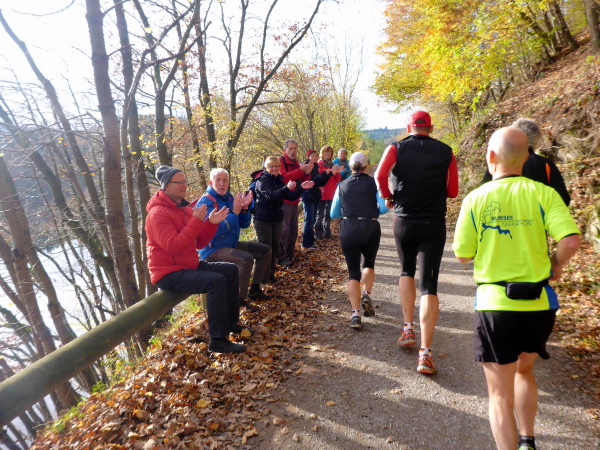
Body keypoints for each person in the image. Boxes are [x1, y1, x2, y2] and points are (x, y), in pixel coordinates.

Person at [452, 127, 581, 450]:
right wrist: (556, 264)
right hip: (538, 305)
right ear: (526, 157)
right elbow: (570, 240)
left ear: (490, 156)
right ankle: (528, 441)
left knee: (499, 395)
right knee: (524, 371)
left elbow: (463, 255)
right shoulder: (543, 193)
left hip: (495, 306)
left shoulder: (476, 198)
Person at [375, 110, 459, 375]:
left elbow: (380, 176)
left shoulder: (395, 148)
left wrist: (388, 196)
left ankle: (407, 329)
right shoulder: (446, 151)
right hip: (433, 222)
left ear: (409, 127)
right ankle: (425, 355)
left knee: (406, 271)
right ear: (431, 129)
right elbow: (453, 191)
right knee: (429, 286)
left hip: (404, 220)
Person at [145, 166, 247, 354]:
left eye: (185, 181)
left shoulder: (183, 209)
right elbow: (173, 246)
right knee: (215, 281)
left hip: (188, 265)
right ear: (166, 186)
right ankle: (218, 340)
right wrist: (196, 222)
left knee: (230, 270)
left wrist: (210, 224)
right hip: (168, 273)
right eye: (179, 182)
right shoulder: (157, 213)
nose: (185, 185)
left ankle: (232, 323)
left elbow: (199, 242)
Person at [196, 168, 272, 313]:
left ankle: (254, 290)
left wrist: (244, 209)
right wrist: (235, 212)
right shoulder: (206, 203)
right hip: (213, 250)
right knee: (245, 259)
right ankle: (238, 300)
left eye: (225, 180)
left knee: (265, 251)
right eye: (218, 180)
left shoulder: (229, 198)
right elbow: (214, 232)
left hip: (231, 244)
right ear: (211, 182)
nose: (221, 183)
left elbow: (244, 224)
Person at [331, 152, 389, 330]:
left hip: (348, 228)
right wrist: (370, 210)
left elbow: (333, 213)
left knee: (352, 272)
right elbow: (384, 208)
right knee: (369, 263)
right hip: (370, 226)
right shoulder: (374, 183)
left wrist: (349, 213)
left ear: (350, 166)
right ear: (366, 165)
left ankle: (355, 315)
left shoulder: (341, 185)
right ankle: (367, 294)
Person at [481, 118, 570, 206]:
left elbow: (483, 195)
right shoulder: (546, 164)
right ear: (536, 139)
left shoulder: (498, 160)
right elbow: (563, 200)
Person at [253, 156, 314, 281]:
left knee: (275, 248)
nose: (274, 168)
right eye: (271, 166)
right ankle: (261, 279)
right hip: (263, 220)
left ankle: (271, 275)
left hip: (276, 218)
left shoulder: (278, 180)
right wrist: (286, 188)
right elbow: (271, 195)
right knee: (266, 249)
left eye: (276, 166)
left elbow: (291, 196)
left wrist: (301, 188)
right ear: (266, 167)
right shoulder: (262, 180)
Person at [278, 139, 313, 266]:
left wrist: (307, 173)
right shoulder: (280, 161)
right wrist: (301, 170)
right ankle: (280, 257)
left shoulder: (296, 162)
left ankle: (290, 253)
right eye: (290, 148)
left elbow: (301, 178)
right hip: (284, 201)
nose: (293, 151)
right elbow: (284, 177)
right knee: (284, 230)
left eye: (295, 148)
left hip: (294, 199)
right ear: (285, 150)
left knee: (293, 230)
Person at [300, 150, 334, 251]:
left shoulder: (315, 166)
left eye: (316, 156)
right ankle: (306, 244)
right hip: (308, 196)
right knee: (309, 221)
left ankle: (310, 242)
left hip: (315, 196)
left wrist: (328, 174)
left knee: (313, 220)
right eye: (312, 156)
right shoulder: (306, 166)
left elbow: (320, 183)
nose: (314, 157)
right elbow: (311, 181)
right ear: (308, 157)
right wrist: (324, 174)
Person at [315, 145, 342, 240]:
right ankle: (318, 234)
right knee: (320, 215)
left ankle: (327, 233)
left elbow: (337, 179)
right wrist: (331, 171)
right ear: (322, 153)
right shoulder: (318, 164)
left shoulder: (332, 164)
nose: (328, 154)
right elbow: (319, 177)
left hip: (331, 192)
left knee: (328, 214)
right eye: (326, 152)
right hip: (322, 192)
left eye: (330, 152)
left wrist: (337, 172)